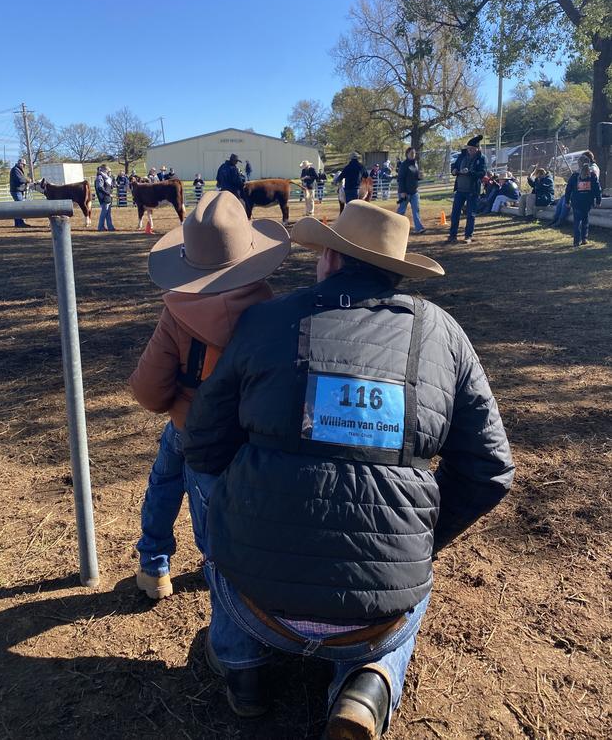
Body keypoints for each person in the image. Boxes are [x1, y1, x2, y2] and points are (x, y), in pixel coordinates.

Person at [181, 201, 514, 736]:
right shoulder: (444, 334)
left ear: (330, 260)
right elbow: (492, 469)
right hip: (378, 617)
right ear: (399, 271)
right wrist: (418, 538)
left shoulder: (267, 319)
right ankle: (368, 683)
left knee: (207, 491)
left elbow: (202, 443)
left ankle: (243, 668)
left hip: (255, 602)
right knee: (400, 598)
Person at [129, 190, 289, 599]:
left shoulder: (176, 315)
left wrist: (179, 402)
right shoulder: (274, 314)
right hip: (246, 433)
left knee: (164, 484)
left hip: (187, 425)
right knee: (226, 508)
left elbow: (148, 390)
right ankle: (229, 576)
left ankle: (154, 566)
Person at [447, 135, 486, 244]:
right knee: (455, 213)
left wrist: (470, 173)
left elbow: (482, 173)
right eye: (469, 148)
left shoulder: (481, 158)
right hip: (460, 189)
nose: (470, 151)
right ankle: (452, 235)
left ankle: (468, 236)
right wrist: (454, 170)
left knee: (470, 214)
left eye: (472, 149)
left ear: (477, 149)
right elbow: (454, 166)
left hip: (472, 190)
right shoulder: (462, 156)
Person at [564, 161, 602, 247]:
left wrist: (567, 201)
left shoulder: (574, 176)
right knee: (585, 220)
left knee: (577, 221)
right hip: (587, 202)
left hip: (577, 202)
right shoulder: (592, 176)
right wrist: (598, 200)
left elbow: (568, 189)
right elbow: (597, 189)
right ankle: (584, 238)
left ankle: (576, 241)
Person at [396, 148, 425, 233]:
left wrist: (419, 177)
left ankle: (419, 228)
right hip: (405, 192)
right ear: (407, 154)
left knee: (416, 210)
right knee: (401, 210)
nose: (413, 154)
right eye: (411, 153)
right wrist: (402, 191)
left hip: (414, 192)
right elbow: (400, 179)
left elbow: (415, 177)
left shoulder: (415, 164)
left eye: (414, 153)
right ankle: (395, 226)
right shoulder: (404, 165)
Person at [9, 158, 31, 228]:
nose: (24, 166)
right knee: (19, 207)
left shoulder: (17, 170)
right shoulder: (16, 170)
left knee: (17, 207)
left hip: (18, 190)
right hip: (16, 191)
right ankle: (20, 223)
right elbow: (20, 180)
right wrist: (27, 180)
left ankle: (18, 223)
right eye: (23, 164)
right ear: (20, 163)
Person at [95, 164, 115, 231]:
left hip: (107, 197)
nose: (108, 171)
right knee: (104, 213)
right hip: (104, 198)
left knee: (108, 213)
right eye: (107, 170)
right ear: (104, 170)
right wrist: (108, 194)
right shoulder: (100, 177)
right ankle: (100, 227)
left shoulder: (106, 177)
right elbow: (100, 188)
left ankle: (110, 227)